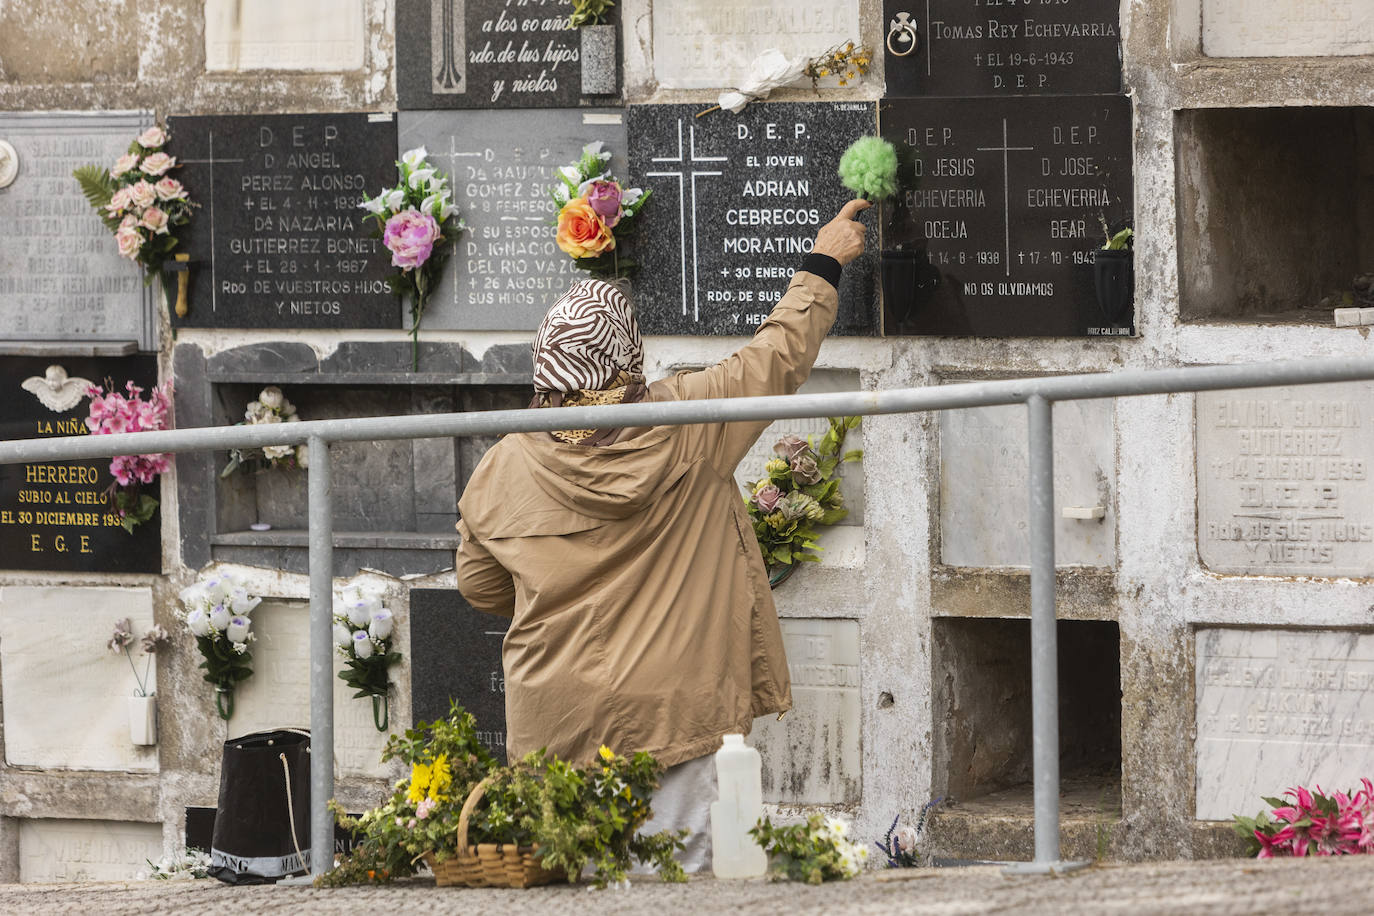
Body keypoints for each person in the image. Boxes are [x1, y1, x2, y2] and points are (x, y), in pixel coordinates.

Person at [455, 198, 870, 871]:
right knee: (680, 887)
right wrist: (824, 260)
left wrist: (557, 594)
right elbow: (778, 356)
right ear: (629, 359)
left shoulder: (506, 463)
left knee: (575, 891)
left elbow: (479, 585)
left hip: (555, 721)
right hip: (675, 716)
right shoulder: (690, 424)